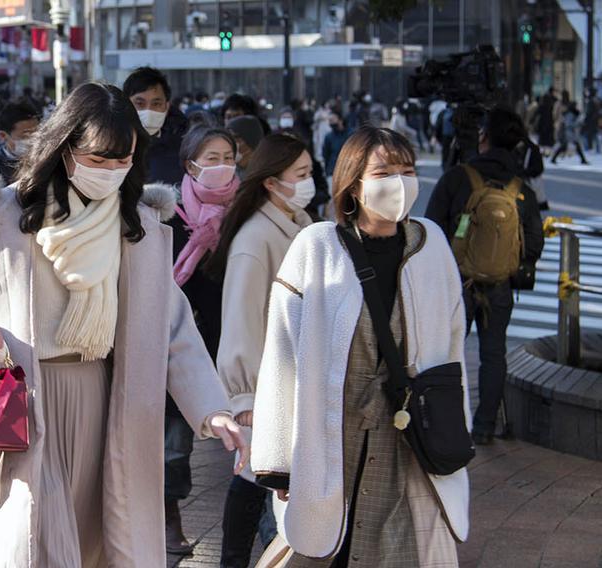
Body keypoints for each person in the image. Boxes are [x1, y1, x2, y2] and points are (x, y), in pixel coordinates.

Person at [0, 82, 247, 567]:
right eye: (98, 159)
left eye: (122, 160)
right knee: (34, 544)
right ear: (65, 150)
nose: (111, 172)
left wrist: (212, 409)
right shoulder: (0, 217)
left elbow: (173, 330)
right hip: (21, 402)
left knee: (98, 543)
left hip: (105, 402)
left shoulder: (138, 229)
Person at [252, 126, 469, 567]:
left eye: (407, 170)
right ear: (353, 184)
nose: (400, 182)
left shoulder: (432, 245)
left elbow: (452, 343)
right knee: (325, 543)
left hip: (409, 435)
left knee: (407, 546)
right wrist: (278, 460)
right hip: (332, 433)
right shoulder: (317, 247)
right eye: (384, 171)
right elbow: (282, 355)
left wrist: (452, 427)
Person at [206, 134, 316, 568]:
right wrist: (244, 397)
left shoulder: (300, 224)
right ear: (272, 183)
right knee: (257, 479)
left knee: (260, 479)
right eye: (302, 175)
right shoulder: (256, 238)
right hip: (265, 389)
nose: (310, 182)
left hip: (292, 380)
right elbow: (240, 321)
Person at [426, 106, 544, 445]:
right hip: (500, 286)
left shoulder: (458, 177)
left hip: (457, 284)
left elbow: (431, 228)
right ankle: (485, 427)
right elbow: (534, 241)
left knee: (446, 351)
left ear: (484, 137)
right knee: (494, 355)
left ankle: (443, 422)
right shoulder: (521, 188)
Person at [164, 125, 240, 554]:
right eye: (211, 158)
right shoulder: (168, 215)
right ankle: (170, 518)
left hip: (231, 340)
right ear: (190, 164)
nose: (221, 165)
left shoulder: (244, 213)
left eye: (227, 155)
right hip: (180, 343)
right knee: (174, 443)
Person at [123, 66, 189, 185]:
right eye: (139, 104)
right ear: (126, 104)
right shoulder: (111, 147)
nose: (148, 111)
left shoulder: (184, 148)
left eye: (156, 104)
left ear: (167, 106)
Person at [0, 100, 40, 184]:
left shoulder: (46, 161)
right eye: (26, 135)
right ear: (3, 136)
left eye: (37, 133)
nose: (34, 139)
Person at [322, 110, 351, 180]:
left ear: (340, 120)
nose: (331, 122)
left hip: (348, 171)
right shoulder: (328, 137)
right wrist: (327, 171)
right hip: (333, 171)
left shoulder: (351, 134)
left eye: (332, 120)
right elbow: (326, 155)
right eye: (329, 121)